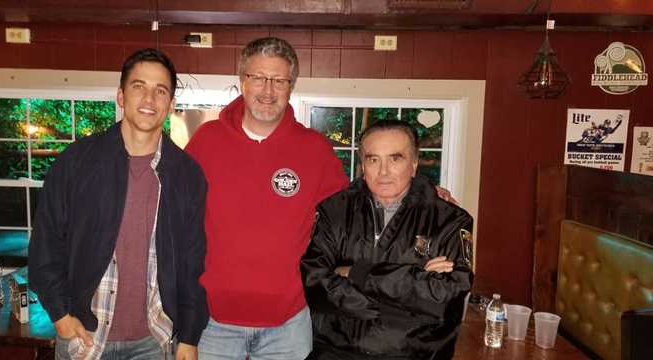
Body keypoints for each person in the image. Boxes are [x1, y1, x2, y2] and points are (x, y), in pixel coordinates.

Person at [29, 48, 208, 360]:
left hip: (154, 341)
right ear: (121, 96)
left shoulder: (187, 175)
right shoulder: (76, 162)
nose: (149, 99)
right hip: (83, 338)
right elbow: (45, 245)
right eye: (139, 87)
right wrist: (60, 315)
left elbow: (193, 264)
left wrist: (190, 337)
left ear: (171, 104)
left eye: (160, 90)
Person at [184, 37, 349, 359]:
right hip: (213, 320)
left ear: (291, 86)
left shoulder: (315, 150)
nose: (268, 90)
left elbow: (351, 215)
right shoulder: (206, 141)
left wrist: (420, 197)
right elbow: (172, 207)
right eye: (258, 78)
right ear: (242, 81)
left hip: (288, 322)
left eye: (279, 80)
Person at [301, 120, 474, 360]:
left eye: (395, 158)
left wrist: (355, 273)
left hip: (416, 354)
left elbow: (446, 295)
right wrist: (409, 285)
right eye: (373, 159)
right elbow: (314, 281)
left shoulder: (450, 220)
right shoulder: (334, 212)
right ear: (363, 165)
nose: (383, 172)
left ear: (413, 164)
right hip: (336, 353)